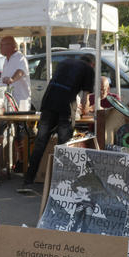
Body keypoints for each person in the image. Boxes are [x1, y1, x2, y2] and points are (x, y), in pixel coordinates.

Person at [22, 55, 108, 186]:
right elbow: (85, 99)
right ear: (93, 64)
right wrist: (85, 111)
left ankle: (28, 180)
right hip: (65, 107)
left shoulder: (64, 62)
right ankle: (60, 183)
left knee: (40, 144)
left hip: (48, 104)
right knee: (63, 147)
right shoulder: (88, 70)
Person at [0, 36, 31, 170]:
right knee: (4, 132)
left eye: (2, 45)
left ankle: (23, 163)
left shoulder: (19, 57)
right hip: (7, 103)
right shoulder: (5, 60)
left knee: (20, 134)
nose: (0, 47)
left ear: (12, 46)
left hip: (20, 103)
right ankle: (8, 162)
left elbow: (20, 72)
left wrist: (12, 79)